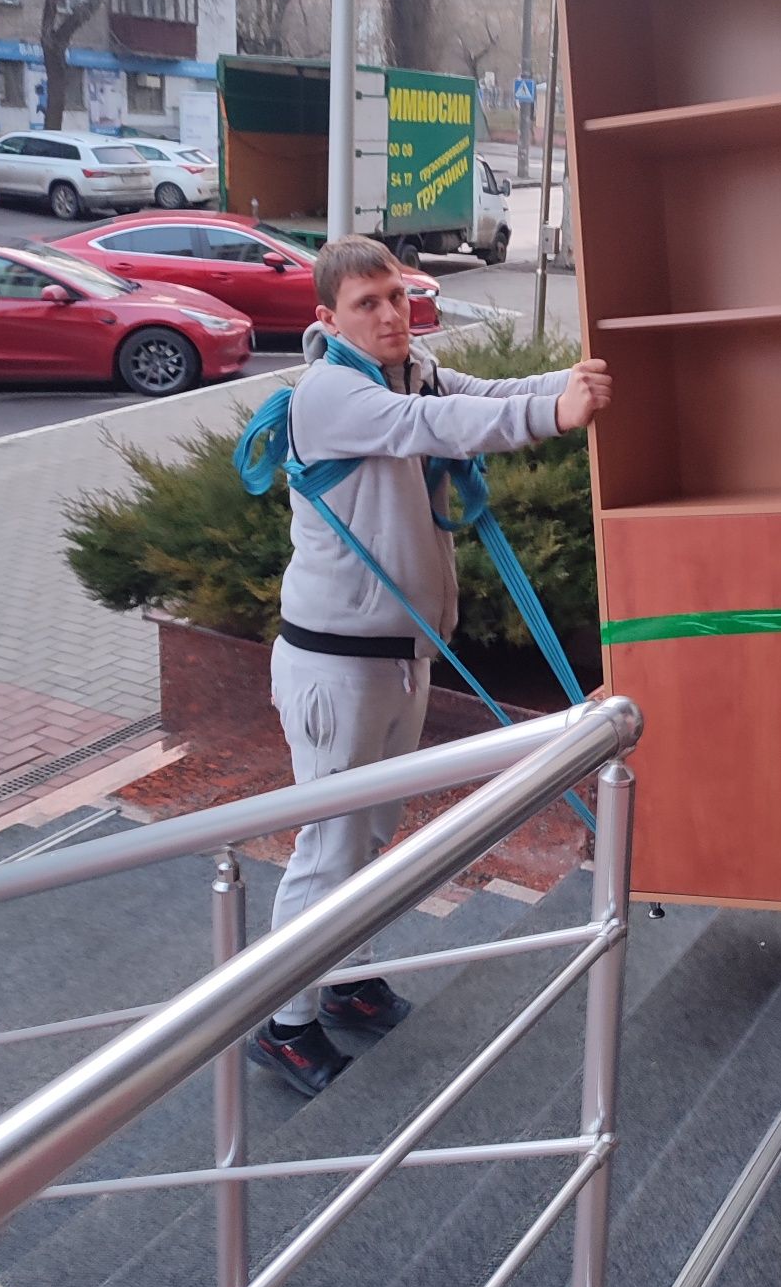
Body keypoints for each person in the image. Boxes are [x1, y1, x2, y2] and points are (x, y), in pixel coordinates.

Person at [251, 235, 612, 1095]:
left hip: (397, 660)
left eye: (396, 298)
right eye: (366, 304)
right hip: (334, 669)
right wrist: (552, 415)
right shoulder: (334, 394)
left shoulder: (409, 372)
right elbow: (435, 428)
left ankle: (345, 978)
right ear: (327, 320)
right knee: (330, 846)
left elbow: (482, 395)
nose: (389, 315)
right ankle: (282, 1021)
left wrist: (572, 385)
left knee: (371, 839)